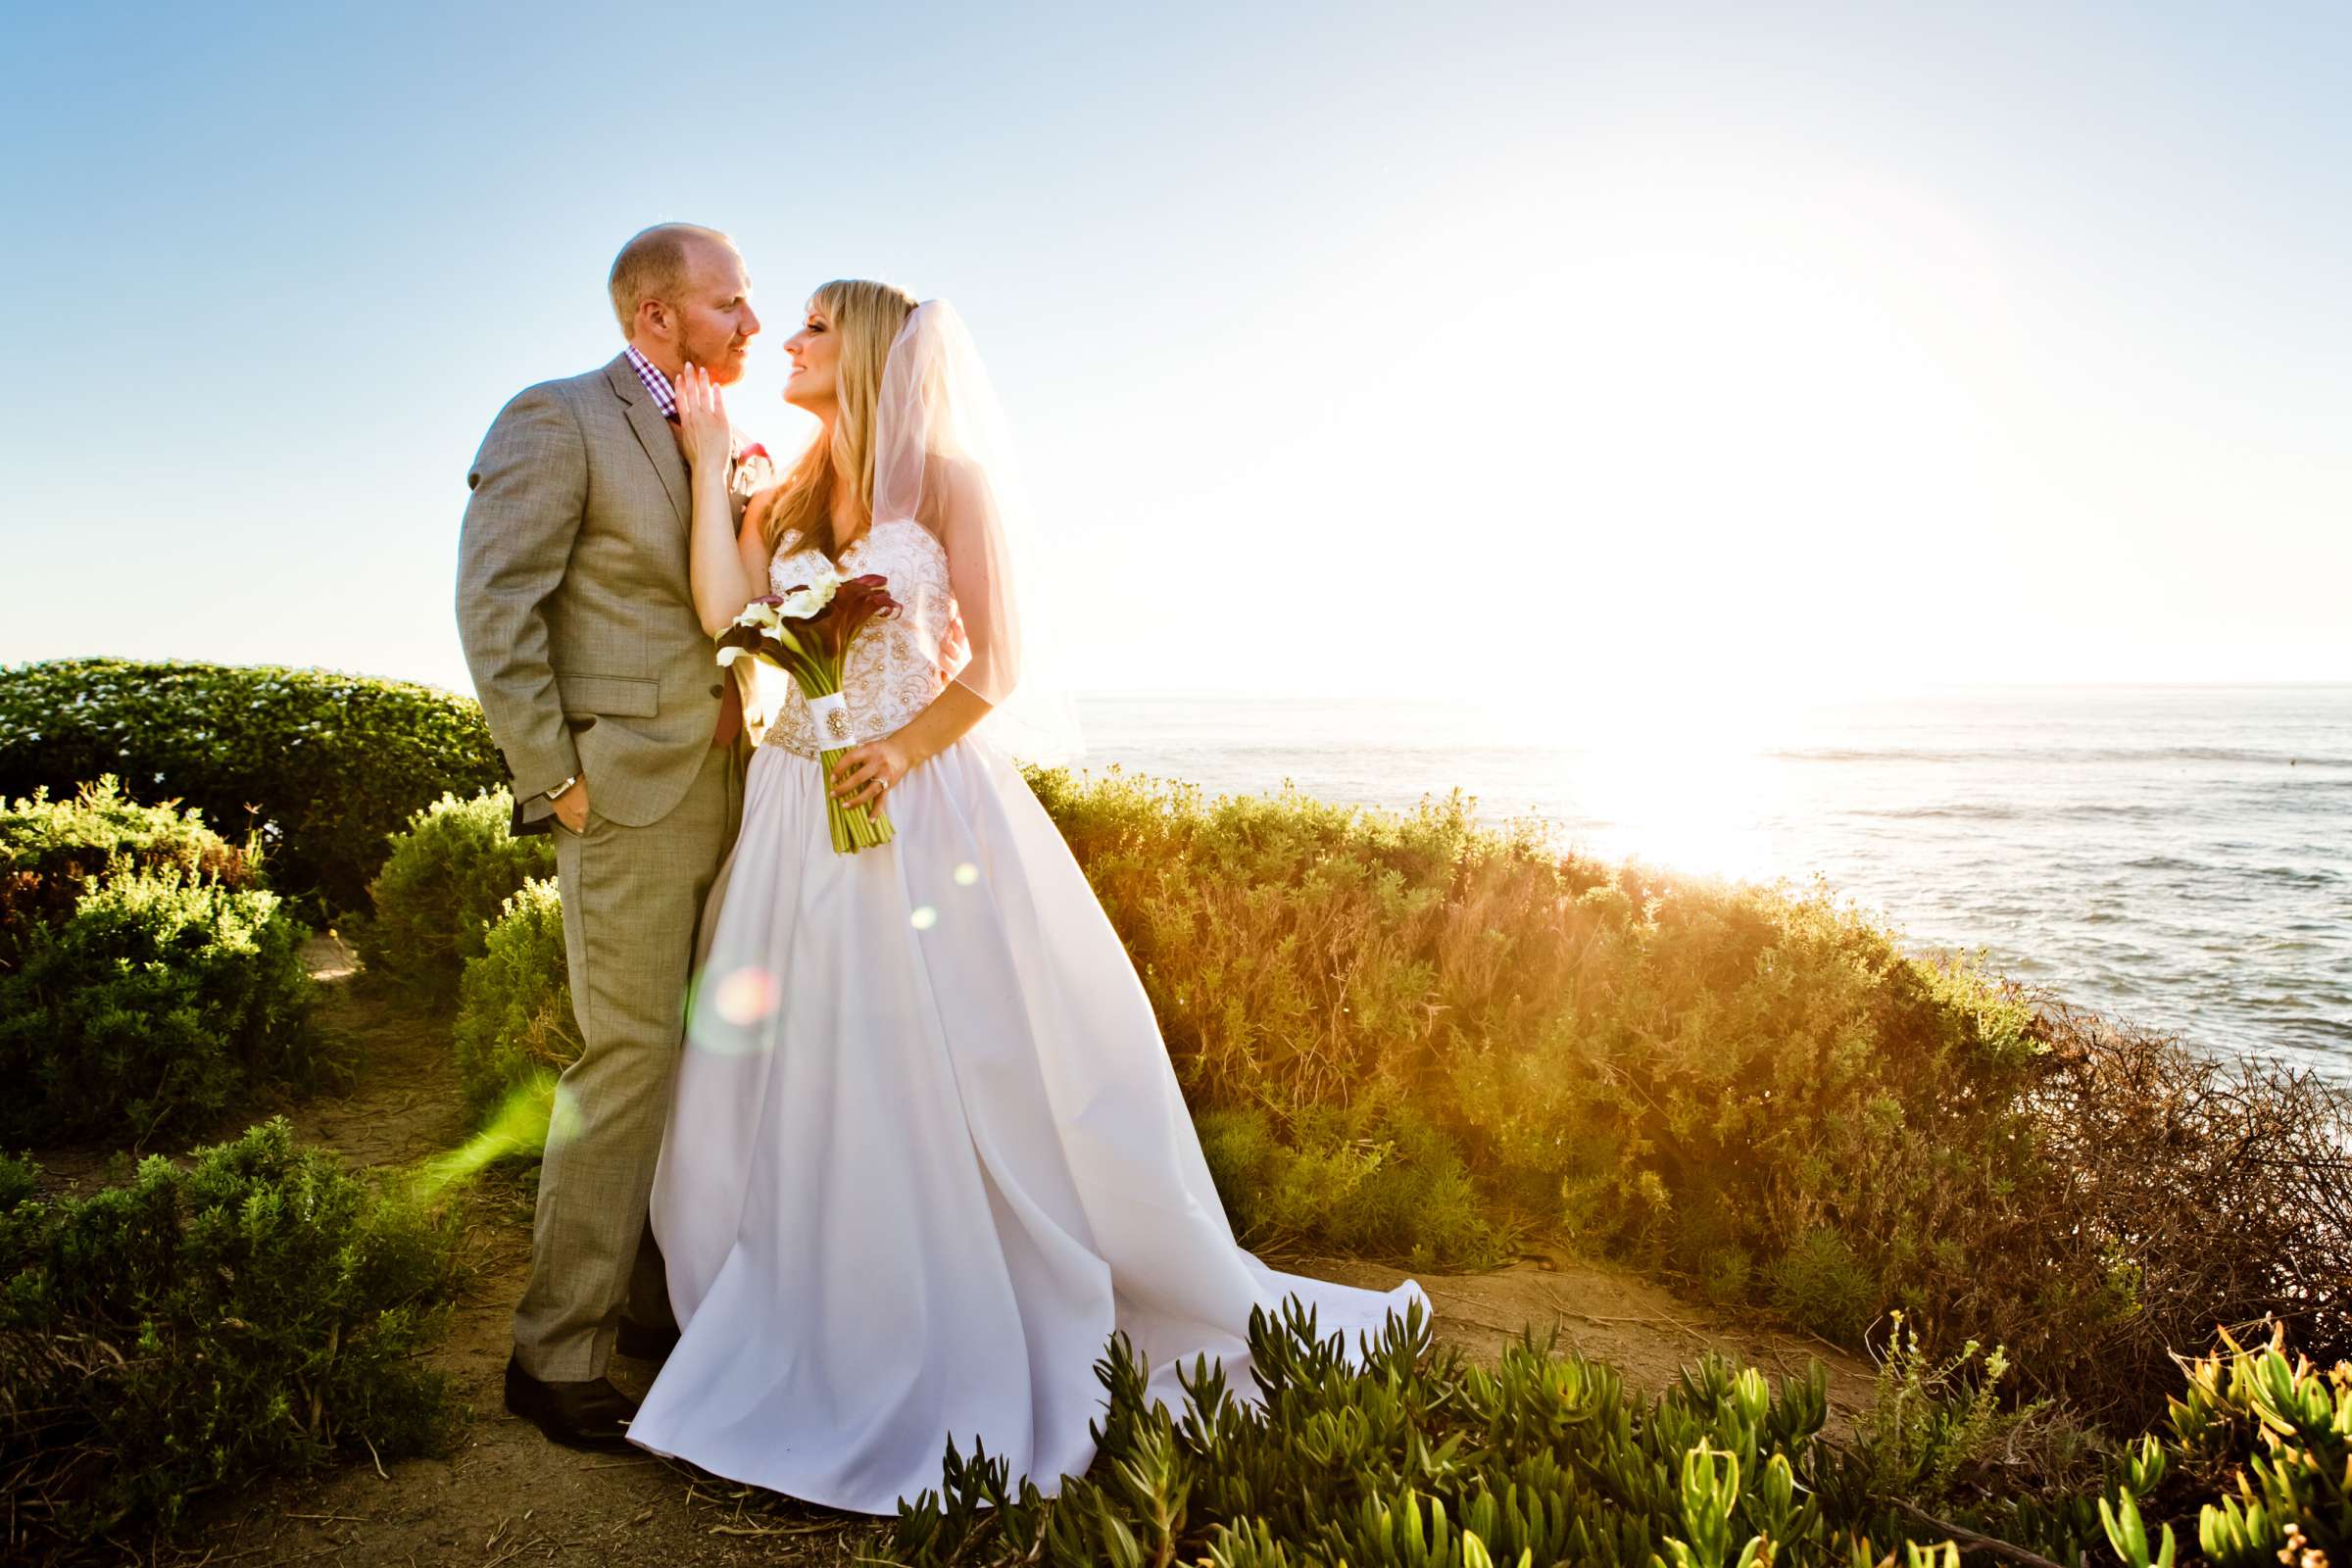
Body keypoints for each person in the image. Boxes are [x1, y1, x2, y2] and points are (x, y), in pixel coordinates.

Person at [623, 279, 1427, 1513]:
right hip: (796, 805)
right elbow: (729, 618)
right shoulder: (779, 491)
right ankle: (806, 1312)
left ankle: (974, 1311)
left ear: (875, 349)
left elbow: (996, 663)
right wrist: (715, 460)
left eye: (816, 328)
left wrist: (898, 748)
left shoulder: (950, 480)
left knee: (958, 1063)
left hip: (919, 794)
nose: (788, 340)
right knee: (796, 1064)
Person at [455, 223, 763, 1450]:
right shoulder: (557, 418)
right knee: (627, 1057)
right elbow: (496, 603)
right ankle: (555, 1353)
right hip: (620, 792)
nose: (750, 321)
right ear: (656, 315)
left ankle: (652, 1310)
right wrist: (554, 778)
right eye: (730, 302)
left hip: (731, 789)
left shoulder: (716, 434)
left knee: (698, 1063)